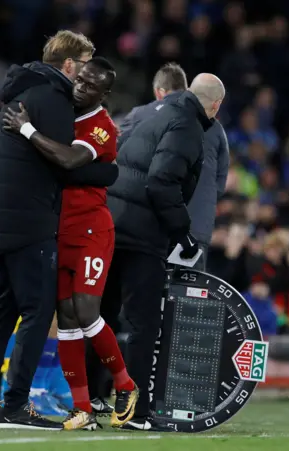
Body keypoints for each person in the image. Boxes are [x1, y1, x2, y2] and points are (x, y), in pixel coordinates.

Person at [0, 31, 118, 430]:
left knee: (3, 311)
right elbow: (66, 162)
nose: (84, 76)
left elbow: (20, 154)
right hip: (30, 219)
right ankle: (14, 406)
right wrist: (110, 172)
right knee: (38, 309)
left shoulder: (21, 92)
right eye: (82, 66)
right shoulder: (55, 98)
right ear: (68, 65)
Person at [1, 57, 138, 431]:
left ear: (104, 93)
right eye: (80, 80)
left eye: (92, 85)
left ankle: (125, 385)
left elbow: (67, 158)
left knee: (87, 311)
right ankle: (82, 408)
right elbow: (41, 162)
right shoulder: (62, 115)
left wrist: (27, 129)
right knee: (67, 321)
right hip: (60, 230)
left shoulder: (102, 128)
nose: (81, 87)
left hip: (93, 230)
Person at [102, 73, 225, 431]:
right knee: (144, 325)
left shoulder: (151, 115)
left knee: (103, 318)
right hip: (142, 237)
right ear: (215, 106)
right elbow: (160, 181)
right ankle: (133, 413)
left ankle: (91, 399)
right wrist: (182, 233)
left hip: (113, 227)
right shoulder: (188, 126)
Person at [118, 63, 229, 270]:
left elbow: (118, 158)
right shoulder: (216, 129)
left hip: (144, 225)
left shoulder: (140, 116)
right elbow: (219, 185)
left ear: (159, 92)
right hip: (195, 227)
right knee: (186, 299)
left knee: (139, 295)